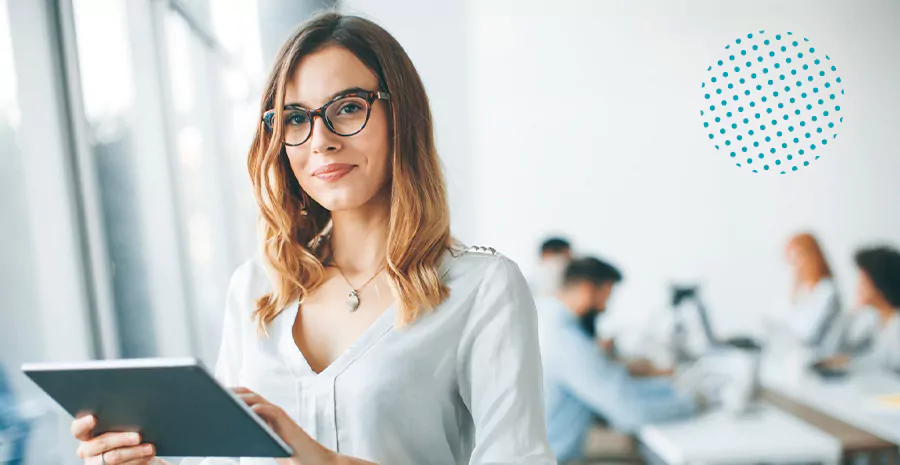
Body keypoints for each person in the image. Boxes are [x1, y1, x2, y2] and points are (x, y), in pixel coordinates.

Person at [69, 13, 555, 465]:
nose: (321, 139)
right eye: (296, 119)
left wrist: (325, 461)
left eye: (347, 108)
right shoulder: (257, 288)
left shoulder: (483, 288)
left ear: (401, 115)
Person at [537, 258, 696, 463]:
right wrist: (690, 403)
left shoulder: (548, 319)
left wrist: (668, 389)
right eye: (606, 296)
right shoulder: (564, 339)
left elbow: (613, 386)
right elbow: (629, 412)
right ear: (587, 289)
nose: (605, 308)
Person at [820, 246, 900, 373]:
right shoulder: (875, 321)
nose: (858, 287)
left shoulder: (896, 326)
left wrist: (852, 362)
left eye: (863, 282)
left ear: (880, 284)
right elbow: (836, 349)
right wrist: (850, 313)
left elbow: (887, 368)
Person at [780, 233, 841, 351]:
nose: (796, 266)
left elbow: (807, 334)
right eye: (792, 261)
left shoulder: (827, 291)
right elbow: (783, 322)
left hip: (817, 357)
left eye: (798, 258)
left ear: (812, 257)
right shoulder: (802, 290)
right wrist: (794, 290)